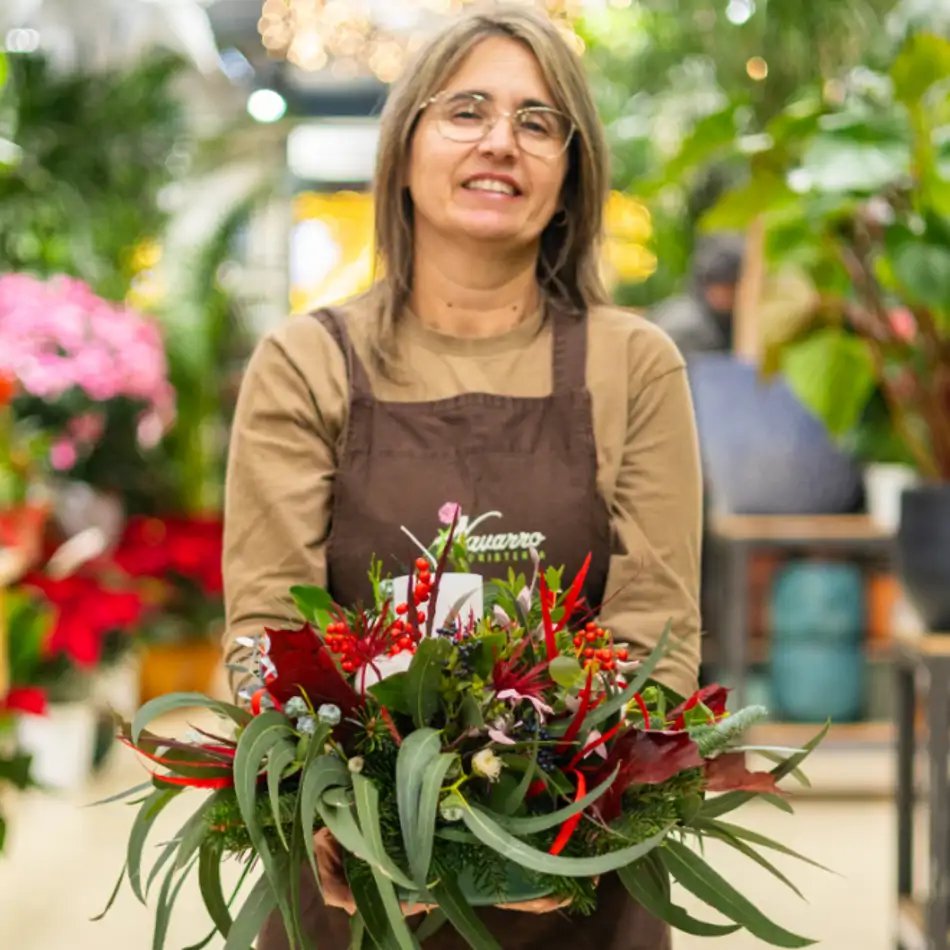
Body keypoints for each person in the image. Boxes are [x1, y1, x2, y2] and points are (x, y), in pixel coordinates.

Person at [222, 6, 703, 949]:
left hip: (582, 870)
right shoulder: (305, 362)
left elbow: (659, 629)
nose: (501, 143)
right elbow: (268, 635)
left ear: (570, 176)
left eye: (537, 122)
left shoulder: (633, 364)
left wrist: (542, 814)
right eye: (467, 111)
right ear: (402, 150)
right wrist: (334, 806)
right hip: (348, 877)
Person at [648, 232, 744, 357]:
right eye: (716, 284)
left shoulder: (732, 322)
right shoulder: (685, 325)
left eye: (731, 286)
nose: (723, 294)